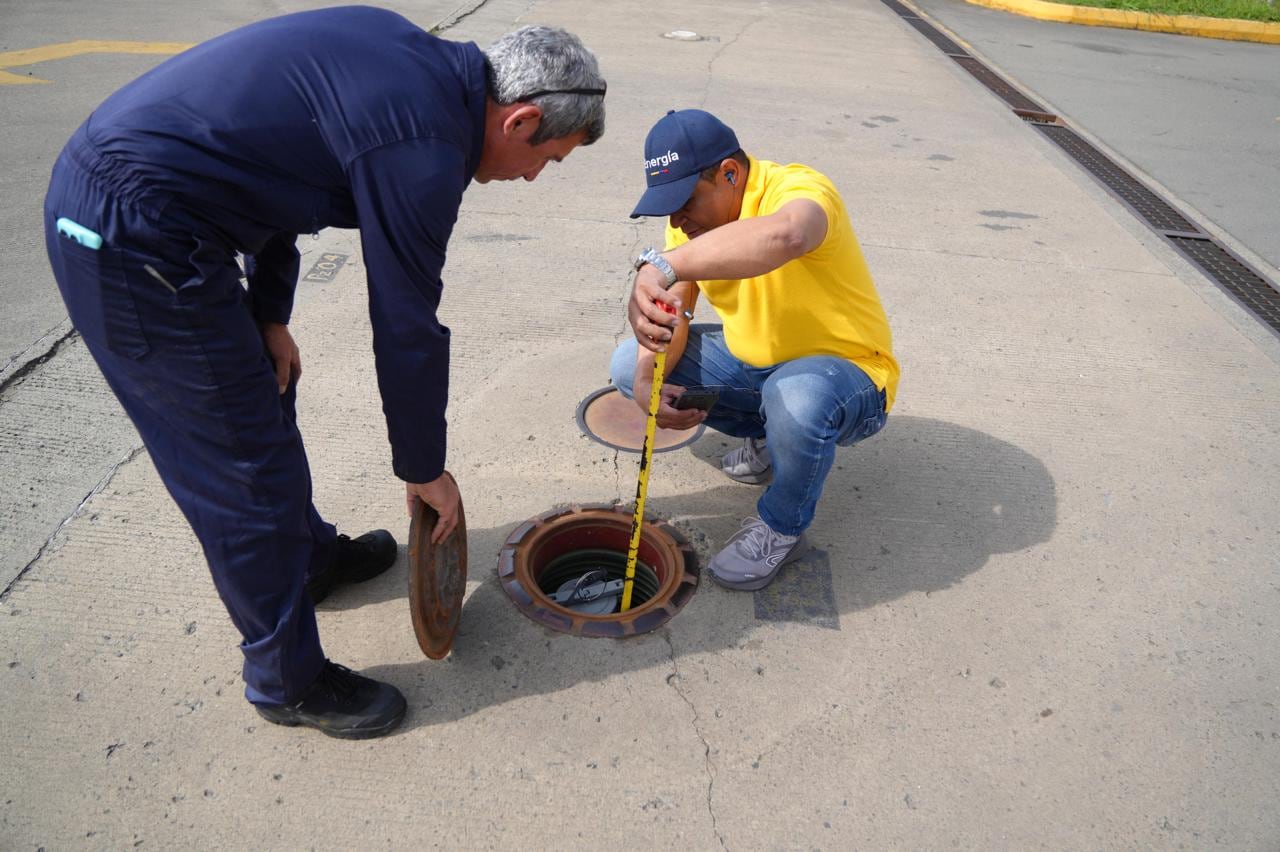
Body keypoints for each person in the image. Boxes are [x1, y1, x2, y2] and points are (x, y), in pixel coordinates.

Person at [43, 7, 606, 739]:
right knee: (243, 467)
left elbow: (276, 172)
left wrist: (269, 313)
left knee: (265, 397)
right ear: (521, 120)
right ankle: (288, 682)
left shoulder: (417, 67)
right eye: (547, 160)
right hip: (128, 234)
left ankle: (307, 563)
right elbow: (405, 323)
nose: (532, 176)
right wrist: (424, 468)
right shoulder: (425, 150)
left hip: (167, 209)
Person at [612, 109, 898, 592]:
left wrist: (663, 264)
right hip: (759, 368)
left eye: (685, 200)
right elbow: (673, 314)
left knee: (797, 398)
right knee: (627, 364)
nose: (677, 220)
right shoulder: (687, 231)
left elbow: (788, 233)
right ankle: (771, 438)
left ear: (730, 173)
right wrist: (646, 380)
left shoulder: (798, 189)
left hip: (850, 377)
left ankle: (782, 526)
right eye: (668, 208)